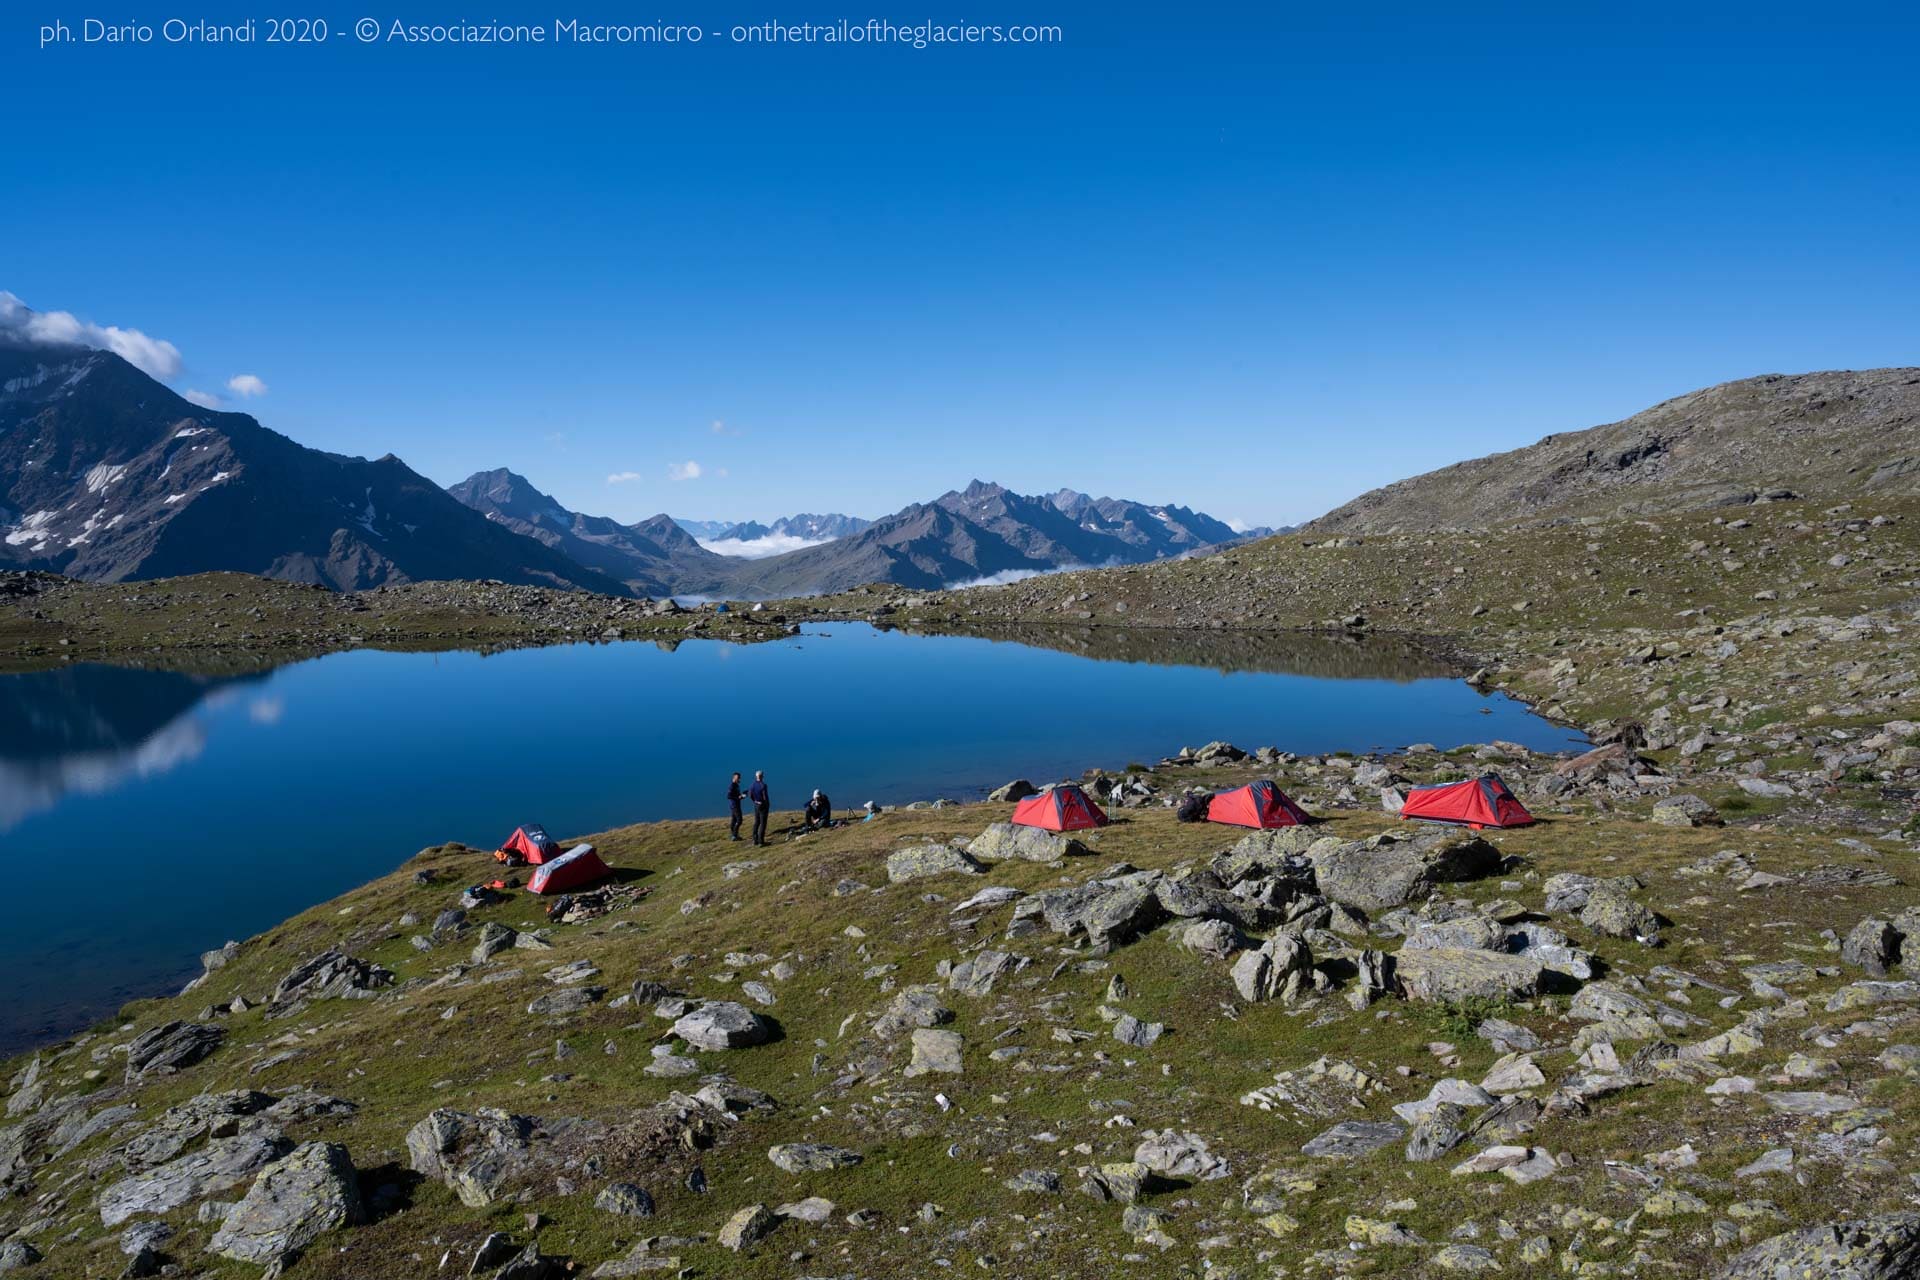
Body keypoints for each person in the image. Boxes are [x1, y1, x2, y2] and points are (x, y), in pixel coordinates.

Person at [748, 770, 771, 846]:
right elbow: (765, 797)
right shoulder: (763, 785)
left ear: (756, 776)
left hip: (756, 805)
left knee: (757, 822)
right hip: (763, 805)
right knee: (763, 823)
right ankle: (761, 841)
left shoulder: (752, 785)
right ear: (762, 776)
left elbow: (750, 794)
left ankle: (755, 840)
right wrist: (767, 804)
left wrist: (755, 801)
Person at [726, 771, 744, 841]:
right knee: (739, 820)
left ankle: (734, 835)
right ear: (734, 778)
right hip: (734, 805)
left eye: (739, 778)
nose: (739, 779)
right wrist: (738, 798)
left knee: (734, 820)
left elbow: (736, 795)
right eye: (738, 778)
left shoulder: (736, 785)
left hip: (736, 804)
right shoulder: (732, 786)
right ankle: (734, 835)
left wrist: (741, 795)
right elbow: (729, 796)